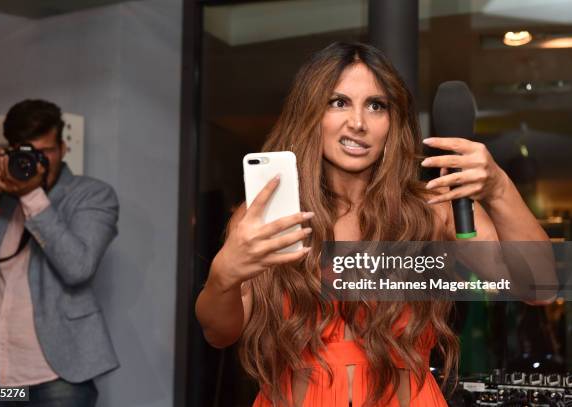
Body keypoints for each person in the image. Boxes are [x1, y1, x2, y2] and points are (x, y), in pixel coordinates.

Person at [195, 42, 552, 407]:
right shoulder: (269, 215)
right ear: (309, 113)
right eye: (338, 102)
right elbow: (219, 333)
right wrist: (224, 276)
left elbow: (539, 288)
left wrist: (499, 187)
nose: (358, 123)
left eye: (375, 106)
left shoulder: (431, 210)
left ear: (392, 121)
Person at [0, 99, 119, 406]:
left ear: (63, 147)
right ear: (10, 151)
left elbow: (78, 268)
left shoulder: (92, 195)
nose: (37, 162)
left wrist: (31, 194)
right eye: (27, 153)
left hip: (57, 377)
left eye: (46, 152)